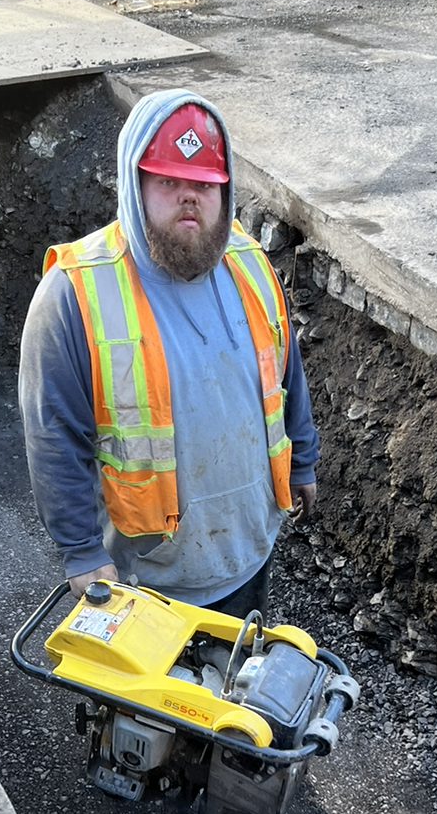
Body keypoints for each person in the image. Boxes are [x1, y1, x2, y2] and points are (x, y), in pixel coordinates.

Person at [19, 91, 319, 617]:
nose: (190, 199)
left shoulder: (251, 266)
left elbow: (285, 373)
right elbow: (53, 434)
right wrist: (82, 551)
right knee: (149, 701)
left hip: (247, 551)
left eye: (204, 184)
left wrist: (304, 461)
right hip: (145, 577)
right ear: (135, 186)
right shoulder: (76, 294)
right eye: (168, 182)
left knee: (231, 689)